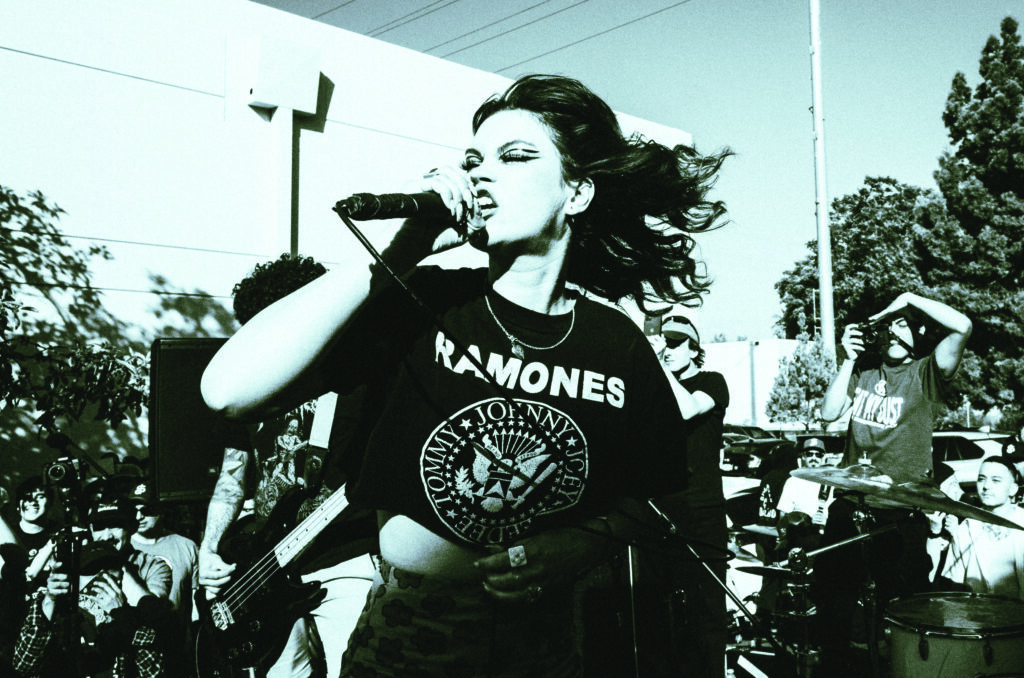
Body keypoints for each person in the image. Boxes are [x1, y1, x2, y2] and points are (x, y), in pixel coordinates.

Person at [200, 74, 731, 676]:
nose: (483, 173)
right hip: (406, 638)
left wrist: (580, 543)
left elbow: (650, 493)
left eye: (516, 157)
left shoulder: (615, 343)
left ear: (576, 193)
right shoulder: (421, 299)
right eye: (475, 159)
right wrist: (404, 247)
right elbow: (226, 392)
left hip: (543, 647)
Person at [198, 255, 377, 678]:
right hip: (264, 570)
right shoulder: (250, 395)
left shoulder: (355, 384)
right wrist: (209, 547)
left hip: (343, 557)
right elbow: (231, 479)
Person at [815, 292, 972, 673]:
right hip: (851, 506)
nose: (892, 333)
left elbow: (963, 326)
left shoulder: (925, 372)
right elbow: (828, 413)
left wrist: (906, 300)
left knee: (900, 620)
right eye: (885, 327)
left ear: (918, 332)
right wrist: (848, 359)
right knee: (833, 615)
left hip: (901, 514)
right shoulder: (865, 371)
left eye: (901, 324)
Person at [638, 314, 729, 678]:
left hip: (701, 510)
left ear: (695, 349)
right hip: (657, 511)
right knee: (654, 611)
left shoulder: (712, 381)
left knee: (705, 611)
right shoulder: (652, 387)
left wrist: (658, 367)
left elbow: (687, 409)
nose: (667, 350)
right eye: (663, 343)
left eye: (675, 344)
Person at [12, 497, 172, 677]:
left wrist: (116, 566)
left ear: (131, 527)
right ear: (90, 530)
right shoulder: (73, 566)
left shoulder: (150, 566)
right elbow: (24, 664)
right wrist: (49, 600)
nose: (107, 535)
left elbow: (156, 630)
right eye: (100, 527)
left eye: (115, 525)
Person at [932, 457, 1024, 598]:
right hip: (977, 614)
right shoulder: (968, 526)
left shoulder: (1021, 522)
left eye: (996, 480)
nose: (986, 486)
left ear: (1013, 489)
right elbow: (954, 583)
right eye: (981, 479)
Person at [776, 437, 838, 536]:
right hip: (800, 536)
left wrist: (827, 521)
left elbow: (838, 516)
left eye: (818, 455)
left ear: (824, 457)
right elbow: (783, 516)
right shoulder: (792, 481)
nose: (814, 458)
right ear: (803, 456)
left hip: (825, 536)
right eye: (809, 454)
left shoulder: (832, 482)